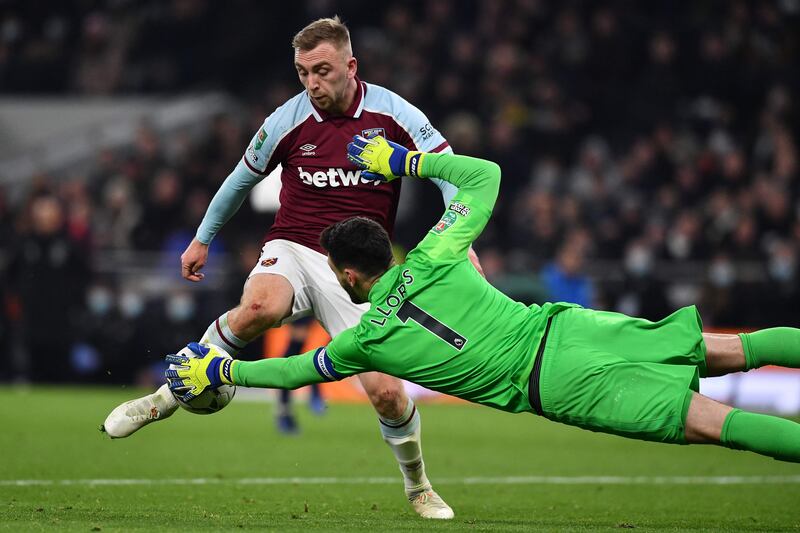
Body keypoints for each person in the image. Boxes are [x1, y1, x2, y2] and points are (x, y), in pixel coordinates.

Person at [167, 135, 800, 500]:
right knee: (723, 351)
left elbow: (295, 372)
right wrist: (403, 163)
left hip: (557, 383)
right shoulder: (439, 251)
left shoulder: (367, 342)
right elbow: (485, 175)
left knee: (713, 424)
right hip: (566, 326)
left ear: (349, 274)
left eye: (334, 269)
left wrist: (222, 370)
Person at [103, 17, 483, 519]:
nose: (312, 83)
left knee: (389, 394)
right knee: (261, 306)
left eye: (322, 71)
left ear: (351, 66)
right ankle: (162, 399)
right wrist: (202, 238)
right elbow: (239, 181)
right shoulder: (287, 119)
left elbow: (452, 175)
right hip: (296, 245)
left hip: (361, 270)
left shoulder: (395, 113)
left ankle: (418, 487)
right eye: (303, 72)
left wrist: (463, 239)